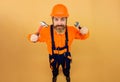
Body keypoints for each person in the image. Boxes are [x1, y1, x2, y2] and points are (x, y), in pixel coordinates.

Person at [28, 4, 89, 82]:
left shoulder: (72, 30)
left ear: (66, 19)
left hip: (66, 56)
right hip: (53, 56)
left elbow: (83, 37)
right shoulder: (46, 31)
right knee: (54, 69)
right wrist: (32, 38)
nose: (59, 23)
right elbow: (34, 38)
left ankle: (67, 75)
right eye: (56, 19)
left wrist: (85, 32)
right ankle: (55, 76)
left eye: (62, 19)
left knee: (67, 68)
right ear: (52, 19)